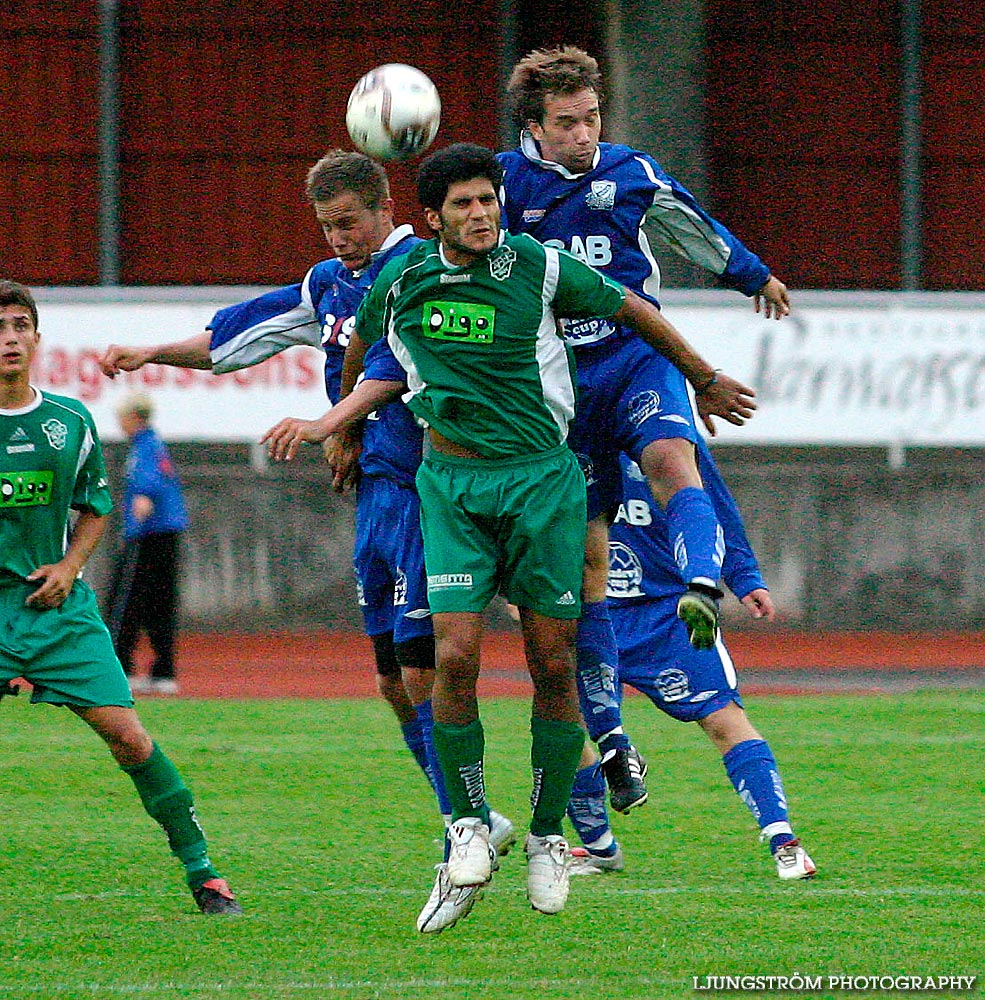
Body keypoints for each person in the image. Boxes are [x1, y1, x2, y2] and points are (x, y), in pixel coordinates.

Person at [314, 142, 754, 929]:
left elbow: (634, 311)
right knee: (452, 656)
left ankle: (549, 835)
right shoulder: (402, 277)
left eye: (488, 200)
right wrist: (345, 425)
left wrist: (701, 374)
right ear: (432, 219)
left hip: (543, 486)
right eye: (463, 205)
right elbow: (362, 345)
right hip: (449, 489)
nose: (481, 214)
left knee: (552, 660)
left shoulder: (539, 267)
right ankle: (467, 828)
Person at [98, 150, 517, 893]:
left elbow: (396, 372)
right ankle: (471, 818)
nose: (336, 238)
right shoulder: (327, 285)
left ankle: (468, 824)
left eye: (348, 223)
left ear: (385, 210)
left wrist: (330, 423)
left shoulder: (425, 269)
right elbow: (235, 337)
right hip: (373, 499)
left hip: (431, 489)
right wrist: (151, 353)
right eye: (326, 226)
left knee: (427, 668)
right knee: (392, 679)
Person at [498, 46, 791, 805]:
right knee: (584, 568)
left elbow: (694, 227)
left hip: (635, 355)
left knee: (671, 457)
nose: (584, 134)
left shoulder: (629, 173)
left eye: (591, 117)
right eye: (567, 123)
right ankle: (612, 744)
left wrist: (752, 274)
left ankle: (699, 580)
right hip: (558, 384)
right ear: (534, 126)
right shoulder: (500, 186)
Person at [0, 279, 242, 915]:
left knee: (131, 741)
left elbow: (96, 507)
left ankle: (205, 873)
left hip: (57, 612)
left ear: (37, 339)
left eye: (20, 326)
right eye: (0, 327)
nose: (10, 339)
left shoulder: (68, 422)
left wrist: (70, 564)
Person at [607, 441, 816, 879]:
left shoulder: (666, 437)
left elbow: (714, 508)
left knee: (724, 720)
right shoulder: (566, 430)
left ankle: (784, 841)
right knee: (566, 726)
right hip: (590, 610)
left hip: (668, 612)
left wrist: (744, 578)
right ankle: (598, 845)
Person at [105, 392, 189, 694]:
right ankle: (162, 669)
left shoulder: (144, 446)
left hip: (148, 533)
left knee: (124, 600)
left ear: (133, 417)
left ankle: (122, 666)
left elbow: (147, 483)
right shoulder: (154, 443)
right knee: (159, 602)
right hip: (163, 531)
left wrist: (142, 501)